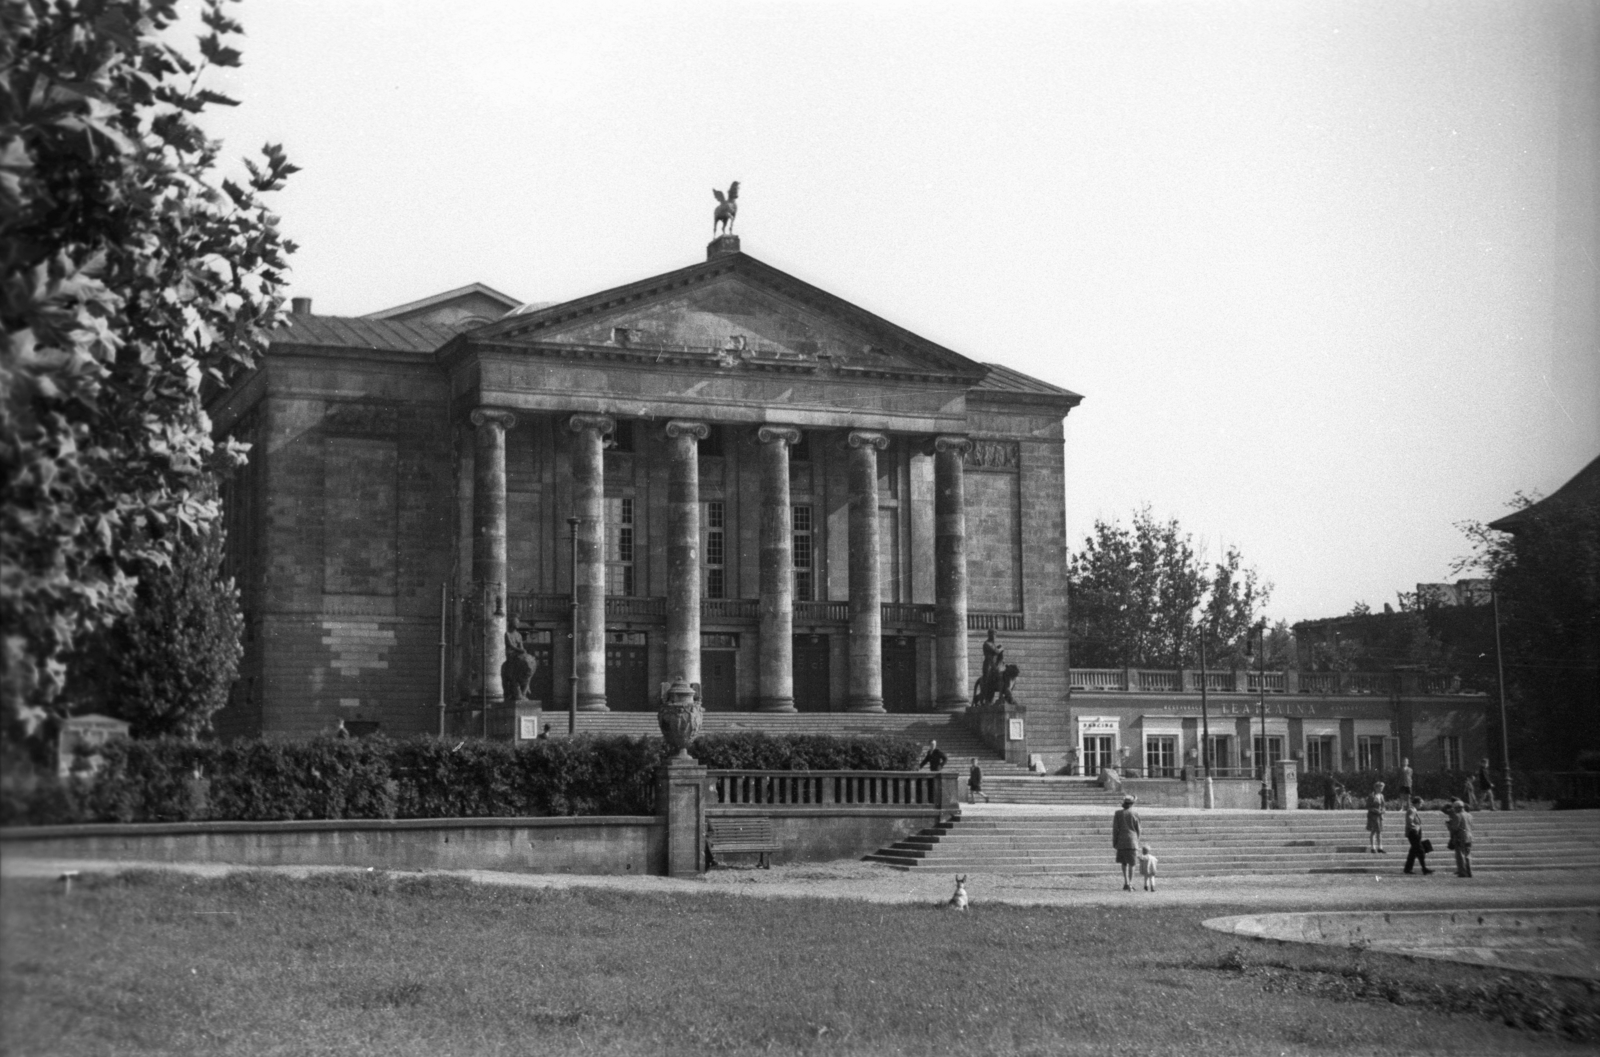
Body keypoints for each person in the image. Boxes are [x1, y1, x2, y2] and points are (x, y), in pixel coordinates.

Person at [1112, 796, 1141, 891]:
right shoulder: (1135, 813)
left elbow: (1115, 829)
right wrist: (1137, 840)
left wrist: (1115, 841)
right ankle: (1131, 883)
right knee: (1132, 863)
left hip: (1121, 839)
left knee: (1124, 862)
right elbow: (1138, 829)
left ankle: (1126, 882)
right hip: (1132, 840)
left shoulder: (1118, 813)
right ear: (1132, 804)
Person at [1402, 795, 1433, 875]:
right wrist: (1414, 828)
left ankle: (1407, 869)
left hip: (1414, 833)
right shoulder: (1412, 810)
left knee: (1413, 852)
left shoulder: (1413, 809)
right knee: (1421, 851)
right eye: (1421, 803)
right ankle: (1424, 869)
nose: (1421, 805)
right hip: (1413, 833)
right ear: (1417, 803)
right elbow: (1409, 820)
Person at [1446, 798, 1474, 877]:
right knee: (1468, 855)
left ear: (1457, 808)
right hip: (1469, 836)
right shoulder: (1469, 815)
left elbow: (1455, 828)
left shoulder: (1457, 816)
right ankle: (1469, 872)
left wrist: (1448, 826)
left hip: (1460, 837)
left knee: (1460, 856)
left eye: (1454, 808)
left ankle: (1462, 873)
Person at [1365, 781, 1387, 853]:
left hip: (1380, 816)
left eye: (1382, 788)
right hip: (1373, 816)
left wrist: (1383, 810)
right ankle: (1373, 847)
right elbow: (1368, 806)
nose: (1381, 789)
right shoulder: (1372, 796)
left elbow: (1383, 806)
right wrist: (1375, 810)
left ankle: (1380, 847)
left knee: (1379, 831)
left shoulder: (1381, 796)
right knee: (1373, 831)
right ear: (1376, 788)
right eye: (1380, 788)